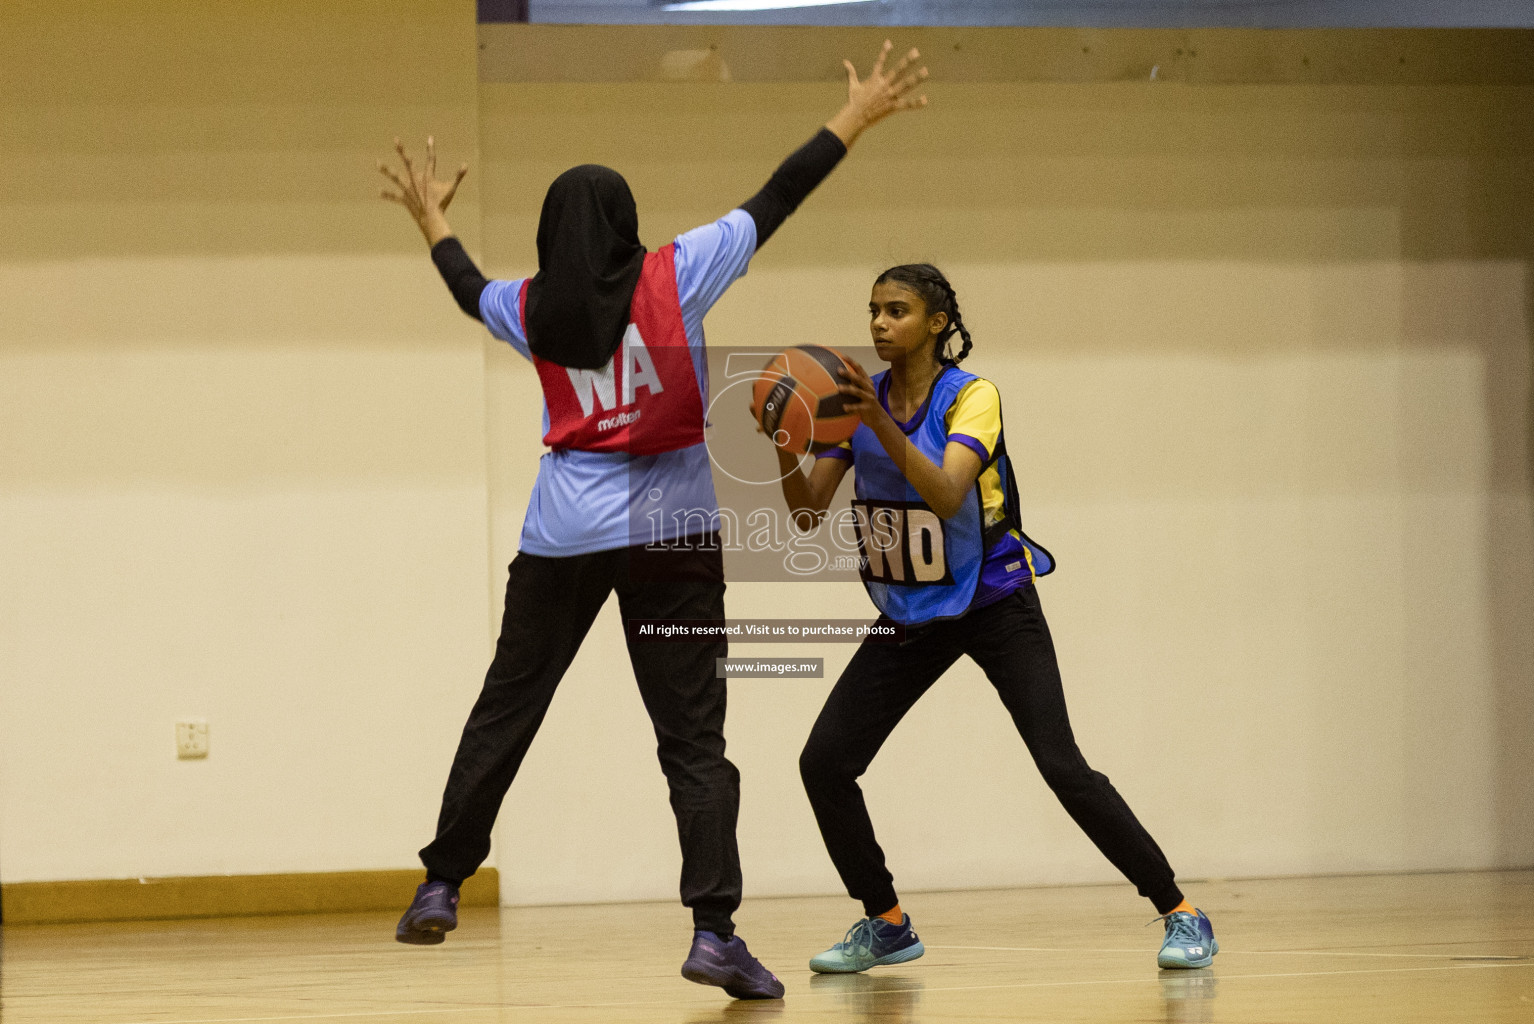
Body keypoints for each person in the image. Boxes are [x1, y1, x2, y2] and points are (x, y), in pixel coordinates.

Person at [376, 42, 930, 1000]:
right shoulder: (678, 272)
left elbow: (469, 289)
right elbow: (777, 195)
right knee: (693, 744)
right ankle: (714, 931)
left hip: (561, 539)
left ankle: (440, 881)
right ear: (626, 224)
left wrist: (432, 220)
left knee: (507, 708)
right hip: (672, 538)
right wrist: (858, 116)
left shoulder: (533, 306)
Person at [765, 263, 1218, 974]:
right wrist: (783, 447)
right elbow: (804, 513)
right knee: (824, 763)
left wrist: (876, 421)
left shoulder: (971, 396)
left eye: (897, 310)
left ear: (938, 322)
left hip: (994, 602)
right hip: (911, 613)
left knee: (1061, 765)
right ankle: (885, 922)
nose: (880, 324)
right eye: (873, 311)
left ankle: (1182, 911)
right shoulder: (853, 408)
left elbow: (948, 493)